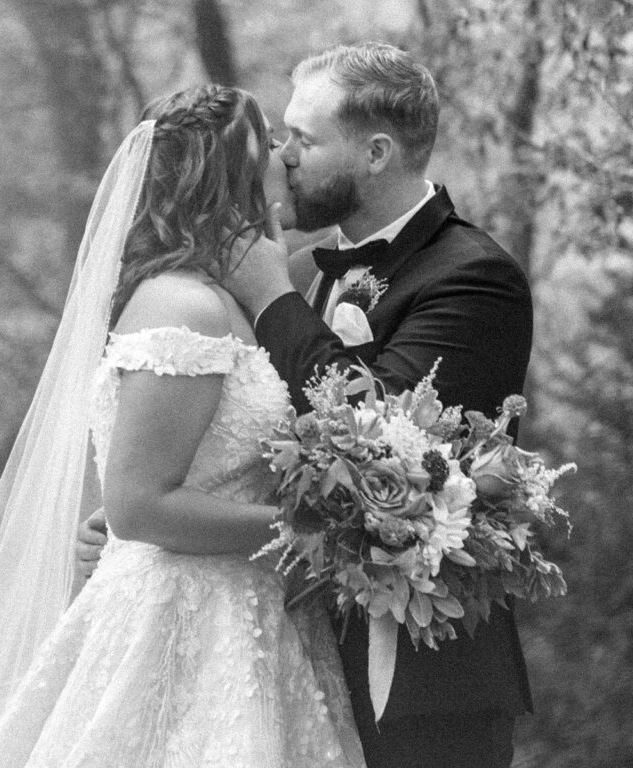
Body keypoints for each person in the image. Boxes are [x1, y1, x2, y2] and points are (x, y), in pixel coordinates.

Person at [79, 42, 533, 768]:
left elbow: (388, 450)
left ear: (377, 153)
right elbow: (248, 439)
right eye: (283, 137)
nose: (285, 157)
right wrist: (160, 516)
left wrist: (272, 299)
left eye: (307, 139)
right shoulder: (292, 269)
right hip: (279, 650)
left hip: (420, 685)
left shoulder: (472, 277)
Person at [0, 84, 366, 768]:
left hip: (255, 619)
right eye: (269, 142)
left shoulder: (241, 301)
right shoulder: (181, 304)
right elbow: (138, 503)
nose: (286, 156)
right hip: (181, 623)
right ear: (230, 171)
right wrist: (314, 530)